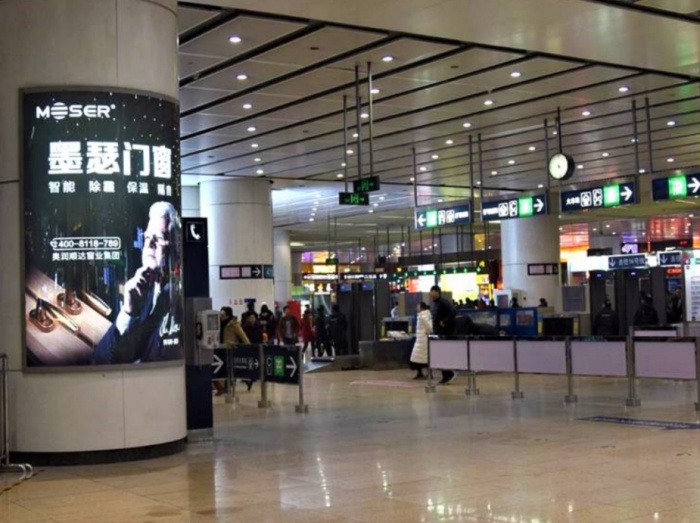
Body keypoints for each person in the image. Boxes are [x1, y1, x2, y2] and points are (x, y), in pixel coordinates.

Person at [94, 202, 181, 364]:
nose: (148, 245)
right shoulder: (143, 292)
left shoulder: (179, 298)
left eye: (157, 238)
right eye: (147, 238)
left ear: (175, 248)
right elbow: (100, 360)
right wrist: (128, 312)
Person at [216, 307, 251, 394]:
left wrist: (249, 347)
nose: (221, 316)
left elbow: (243, 336)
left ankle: (227, 388)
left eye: (223, 315)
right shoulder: (219, 323)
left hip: (230, 349)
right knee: (225, 368)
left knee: (229, 368)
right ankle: (225, 387)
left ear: (228, 315)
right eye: (220, 314)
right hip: (221, 348)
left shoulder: (234, 325)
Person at [429, 285, 456, 384]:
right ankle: (446, 374)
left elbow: (453, 311)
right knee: (439, 355)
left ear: (437, 292)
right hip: (437, 332)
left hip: (444, 333)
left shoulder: (443, 302)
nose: (431, 294)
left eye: (432, 292)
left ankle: (448, 374)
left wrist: (444, 321)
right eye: (431, 292)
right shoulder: (434, 303)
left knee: (442, 354)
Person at [410, 302, 432, 379]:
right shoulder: (421, 315)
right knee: (418, 358)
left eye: (418, 306)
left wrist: (426, 333)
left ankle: (428, 374)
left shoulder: (423, 316)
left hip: (423, 340)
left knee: (425, 358)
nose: (417, 308)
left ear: (422, 307)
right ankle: (421, 373)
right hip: (420, 339)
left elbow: (430, 327)